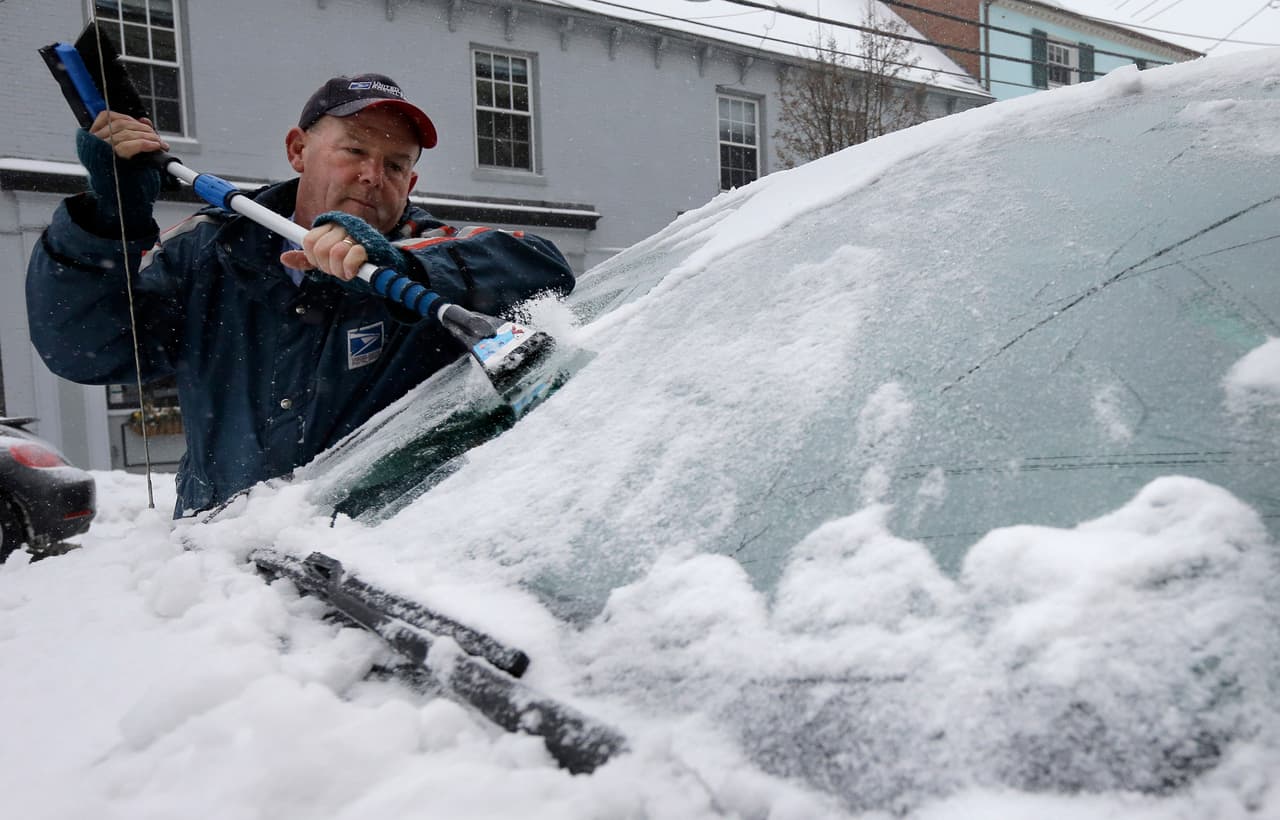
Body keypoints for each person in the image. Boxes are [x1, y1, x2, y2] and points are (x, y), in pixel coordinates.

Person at [26, 74, 575, 516]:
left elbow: (541, 264)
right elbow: (86, 347)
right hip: (222, 568)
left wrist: (401, 266)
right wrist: (106, 217)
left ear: (410, 185)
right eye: (353, 150)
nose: (371, 175)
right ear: (298, 149)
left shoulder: (427, 253)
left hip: (381, 575)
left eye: (395, 165)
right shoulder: (208, 250)